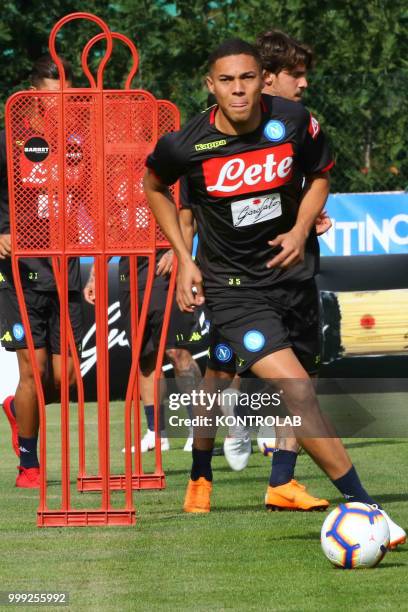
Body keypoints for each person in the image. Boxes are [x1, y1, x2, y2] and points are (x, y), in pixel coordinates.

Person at [143, 38, 405, 548]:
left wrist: (301, 228)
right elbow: (155, 186)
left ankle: (281, 480)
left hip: (294, 280)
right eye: (226, 80)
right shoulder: (186, 144)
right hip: (234, 292)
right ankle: (364, 507)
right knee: (281, 388)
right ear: (210, 85)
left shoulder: (292, 121)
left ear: (261, 79)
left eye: (246, 78)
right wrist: (185, 257)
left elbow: (321, 176)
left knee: (300, 387)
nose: (237, 90)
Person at [0, 55, 83, 488]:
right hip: (19, 273)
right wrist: (1, 230)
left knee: (64, 377)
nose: (62, 105)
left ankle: (18, 409)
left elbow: (91, 197)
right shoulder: (9, 141)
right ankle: (29, 465)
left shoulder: (77, 144)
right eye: (55, 98)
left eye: (70, 97)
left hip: (65, 271)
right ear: (34, 96)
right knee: (31, 371)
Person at [83, 228, 205, 455]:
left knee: (177, 352)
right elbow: (109, 231)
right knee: (144, 357)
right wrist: (94, 275)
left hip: (166, 269)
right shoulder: (112, 192)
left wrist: (176, 250)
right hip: (129, 273)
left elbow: (189, 217)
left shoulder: (166, 190)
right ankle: (156, 433)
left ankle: (198, 429)